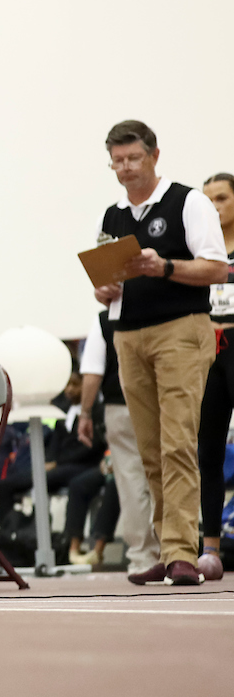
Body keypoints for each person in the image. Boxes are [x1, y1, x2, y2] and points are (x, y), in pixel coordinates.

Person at [93, 120, 226, 585]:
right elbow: (104, 288)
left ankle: (181, 552)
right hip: (127, 335)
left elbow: (217, 269)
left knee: (178, 444)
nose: (125, 168)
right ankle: (166, 546)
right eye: (117, 161)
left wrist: (163, 265)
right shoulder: (109, 216)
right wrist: (104, 288)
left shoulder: (188, 201)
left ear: (154, 156)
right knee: (149, 449)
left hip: (180, 330)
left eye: (133, 158)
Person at [78, 310, 162, 577]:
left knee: (131, 480)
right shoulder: (164, 306)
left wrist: (85, 412)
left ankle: (143, 557)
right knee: (169, 475)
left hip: (120, 405)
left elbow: (92, 372)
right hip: (163, 401)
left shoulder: (106, 319)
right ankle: (177, 551)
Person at [0, 373, 105, 523]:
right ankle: (6, 533)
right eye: (67, 385)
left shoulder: (97, 412)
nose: (70, 390)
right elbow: (55, 442)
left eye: (75, 385)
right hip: (57, 466)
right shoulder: (61, 411)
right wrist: (49, 461)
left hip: (82, 466)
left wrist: (57, 463)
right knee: (5, 485)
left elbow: (93, 447)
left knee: (42, 479)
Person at [197, 172, 234, 575]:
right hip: (207, 353)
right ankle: (210, 547)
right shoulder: (200, 250)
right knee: (208, 451)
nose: (215, 206)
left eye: (222, 198)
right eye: (208, 200)